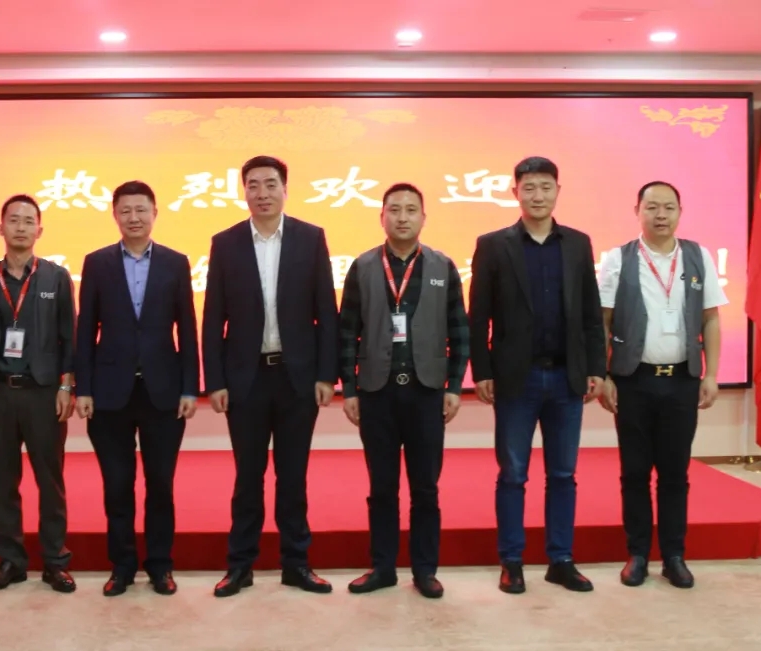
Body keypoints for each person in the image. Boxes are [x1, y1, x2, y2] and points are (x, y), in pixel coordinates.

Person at [468, 156, 606, 594]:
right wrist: (482, 371)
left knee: (563, 474)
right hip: (516, 380)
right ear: (515, 192)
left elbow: (590, 313)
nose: (538, 195)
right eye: (529, 187)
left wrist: (596, 368)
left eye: (546, 187)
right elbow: (479, 316)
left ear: (557, 191)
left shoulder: (578, 244)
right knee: (513, 474)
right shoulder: (494, 245)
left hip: (566, 378)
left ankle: (560, 559)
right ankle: (511, 560)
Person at [202, 155, 338, 597]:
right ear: (243, 191)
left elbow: (326, 311)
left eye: (271, 184)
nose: (262, 193)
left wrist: (327, 374)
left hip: (297, 378)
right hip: (246, 379)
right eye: (253, 185)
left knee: (293, 477)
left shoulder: (310, 238)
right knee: (248, 477)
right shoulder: (225, 243)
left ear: (285, 189)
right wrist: (215, 381)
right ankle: (240, 566)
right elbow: (213, 317)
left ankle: (296, 564)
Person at [338, 183, 469, 599]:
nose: (402, 217)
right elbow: (347, 333)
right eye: (394, 209)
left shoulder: (443, 266)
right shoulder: (362, 267)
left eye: (411, 210)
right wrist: (350, 390)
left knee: (426, 488)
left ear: (423, 217)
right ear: (382, 217)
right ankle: (382, 568)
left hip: (426, 393)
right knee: (382, 487)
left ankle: (425, 570)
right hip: (376, 393)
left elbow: (459, 331)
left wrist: (454, 386)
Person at [598, 181, 726, 589]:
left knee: (675, 473)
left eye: (669, 207)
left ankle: (674, 556)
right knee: (634, 472)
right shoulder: (617, 259)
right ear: (637, 211)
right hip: (633, 382)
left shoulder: (698, 256)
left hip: (682, 383)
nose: (660, 215)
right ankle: (637, 554)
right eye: (652, 207)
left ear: (680, 212)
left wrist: (711, 374)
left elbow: (711, 318)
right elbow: (602, 322)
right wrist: (605, 375)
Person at [75, 181, 199, 597]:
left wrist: (190, 388)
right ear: (115, 215)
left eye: (141, 210)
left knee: (161, 484)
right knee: (117, 485)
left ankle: (161, 566)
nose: (134, 218)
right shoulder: (97, 263)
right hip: (109, 393)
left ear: (154, 213)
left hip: (163, 392)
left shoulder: (176, 263)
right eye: (125, 210)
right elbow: (85, 330)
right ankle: (122, 566)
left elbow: (188, 329)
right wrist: (83, 388)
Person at [0, 194, 77, 594]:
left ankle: (55, 561)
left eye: (29, 221)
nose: (21, 227)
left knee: (51, 480)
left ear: (39, 231)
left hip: (43, 393)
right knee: (2, 480)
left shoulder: (55, 277)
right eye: (14, 220)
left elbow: (69, 337)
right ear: (1, 228)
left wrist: (66, 385)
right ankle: (10, 561)